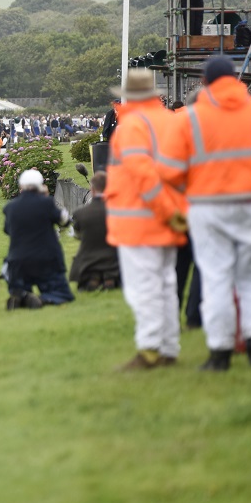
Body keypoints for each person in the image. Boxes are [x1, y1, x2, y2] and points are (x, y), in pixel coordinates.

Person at [169, 56, 251, 369]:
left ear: (205, 83)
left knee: (216, 276)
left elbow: (169, 171)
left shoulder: (189, 119)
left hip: (207, 207)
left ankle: (220, 353)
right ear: (234, 80)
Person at [104, 69, 188, 370]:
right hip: (170, 215)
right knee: (165, 284)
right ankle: (168, 347)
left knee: (145, 288)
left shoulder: (132, 126)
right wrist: (177, 213)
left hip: (139, 218)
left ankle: (150, 348)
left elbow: (143, 174)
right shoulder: (173, 121)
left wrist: (166, 211)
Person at [2, 168, 75, 309]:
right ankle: (45, 299)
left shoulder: (11, 207)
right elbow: (64, 220)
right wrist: (46, 196)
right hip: (46, 258)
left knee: (15, 277)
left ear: (21, 186)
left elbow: (8, 230)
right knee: (60, 292)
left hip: (18, 260)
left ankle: (22, 295)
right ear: (41, 185)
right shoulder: (46, 203)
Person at [69, 171, 120, 291]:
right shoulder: (118, 211)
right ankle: (109, 277)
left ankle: (94, 278)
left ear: (92, 189)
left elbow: (77, 235)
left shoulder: (80, 213)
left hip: (88, 261)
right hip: (113, 259)